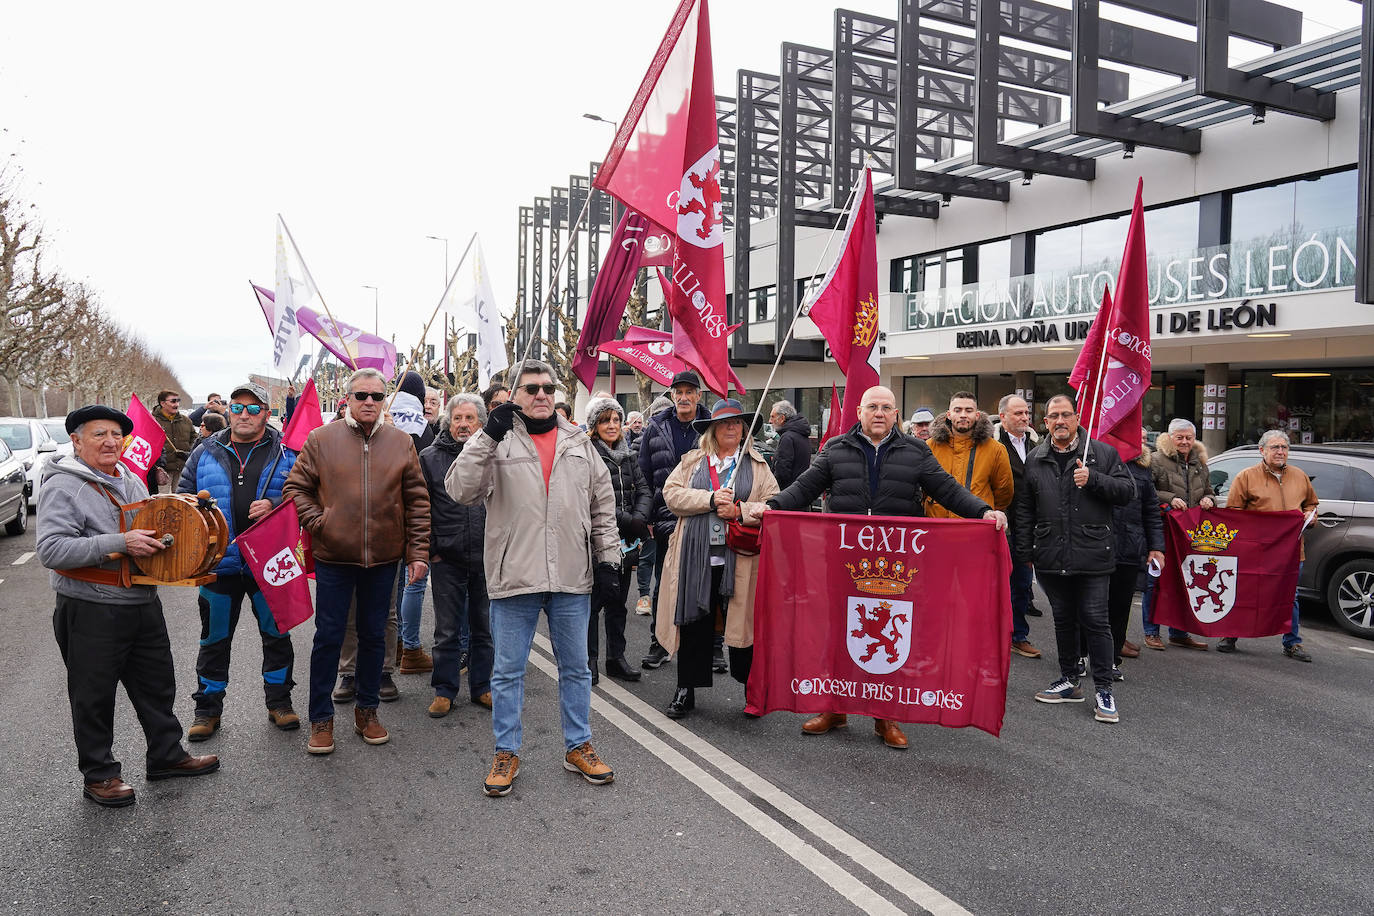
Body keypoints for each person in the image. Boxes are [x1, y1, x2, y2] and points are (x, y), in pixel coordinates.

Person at [750, 385, 1004, 749]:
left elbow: (947, 489)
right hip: (842, 559)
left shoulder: (915, 451)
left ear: (896, 414)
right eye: (873, 407)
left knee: (894, 640)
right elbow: (804, 487)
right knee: (836, 631)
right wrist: (772, 506)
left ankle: (886, 716)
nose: (880, 413)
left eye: (887, 407)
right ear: (859, 411)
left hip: (896, 565)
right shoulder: (835, 448)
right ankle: (833, 706)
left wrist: (982, 512)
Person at [447, 359, 619, 797]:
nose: (541, 395)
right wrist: (487, 435)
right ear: (515, 395)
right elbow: (460, 489)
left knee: (577, 669)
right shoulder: (497, 439)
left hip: (571, 576)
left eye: (547, 388)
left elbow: (603, 506)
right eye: (530, 389)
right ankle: (506, 751)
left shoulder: (580, 442)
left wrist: (608, 561)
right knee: (506, 672)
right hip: (515, 575)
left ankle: (578, 745)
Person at [37, 405, 220, 807]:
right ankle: (100, 775)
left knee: (157, 685)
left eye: (117, 435)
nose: (110, 442)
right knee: (93, 695)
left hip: (141, 601)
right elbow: (50, 550)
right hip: (90, 608)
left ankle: (166, 756)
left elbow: (152, 529)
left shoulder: (131, 478)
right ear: (77, 440)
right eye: (99, 434)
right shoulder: (63, 486)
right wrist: (120, 543)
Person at [283, 367, 431, 755]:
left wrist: (417, 552)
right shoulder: (321, 439)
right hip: (335, 557)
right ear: (347, 399)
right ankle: (321, 719)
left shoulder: (401, 443)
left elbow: (417, 501)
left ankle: (368, 710)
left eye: (377, 397)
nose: (369, 402)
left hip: (384, 559)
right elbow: (296, 487)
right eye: (361, 396)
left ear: (385, 402)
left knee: (373, 636)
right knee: (328, 638)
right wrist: (320, 522)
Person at [177, 382, 300, 741]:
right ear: (229, 411)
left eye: (253, 407)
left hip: (270, 563)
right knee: (214, 639)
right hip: (219, 564)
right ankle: (207, 710)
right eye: (237, 407)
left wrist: (276, 506)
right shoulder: (204, 451)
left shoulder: (286, 453)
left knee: (277, 635)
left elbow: (306, 498)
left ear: (266, 412)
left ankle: (280, 702)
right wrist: (195, 509)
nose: (244, 414)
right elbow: (182, 501)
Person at [656, 399, 778, 718]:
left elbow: (772, 505)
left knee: (743, 623)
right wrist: (709, 499)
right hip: (696, 557)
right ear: (712, 429)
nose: (731, 428)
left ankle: (752, 690)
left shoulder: (758, 465)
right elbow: (671, 495)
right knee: (694, 621)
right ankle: (686, 689)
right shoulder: (693, 461)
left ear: (744, 429)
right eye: (724, 423)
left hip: (741, 558)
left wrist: (740, 510)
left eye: (737, 423)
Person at [1017, 395, 1134, 724]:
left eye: (1065, 415)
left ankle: (1104, 689)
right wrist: (1026, 553)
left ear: (1077, 416)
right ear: (1045, 422)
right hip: (1051, 555)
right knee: (1064, 619)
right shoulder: (1036, 458)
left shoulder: (1102, 454)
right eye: (1053, 416)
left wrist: (1094, 480)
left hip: (1093, 554)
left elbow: (1128, 492)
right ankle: (1069, 679)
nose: (1060, 421)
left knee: (1096, 621)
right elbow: (1025, 509)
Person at [419, 393, 494, 717]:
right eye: (458, 418)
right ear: (449, 421)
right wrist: (431, 549)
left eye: (470, 418)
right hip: (446, 556)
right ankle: (444, 690)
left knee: (484, 627)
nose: (463, 424)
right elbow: (421, 508)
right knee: (447, 629)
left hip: (487, 555)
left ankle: (483, 687)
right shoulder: (429, 457)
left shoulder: (494, 455)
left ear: (480, 423)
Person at [637, 371, 712, 670]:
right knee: (663, 585)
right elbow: (643, 475)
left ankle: (713, 647)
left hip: (706, 516)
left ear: (698, 395)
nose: (683, 397)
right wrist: (647, 517)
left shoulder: (712, 426)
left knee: (708, 583)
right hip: (665, 518)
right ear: (671, 396)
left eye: (689, 392)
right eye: (677, 392)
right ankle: (660, 643)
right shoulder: (655, 426)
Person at [1222, 429, 1317, 661]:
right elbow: (1233, 512)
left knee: (1289, 597)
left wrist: (1311, 516)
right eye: (1275, 447)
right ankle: (1230, 634)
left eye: (1284, 448)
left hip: (1291, 552)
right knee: (1245, 592)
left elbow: (1312, 505)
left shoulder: (1300, 476)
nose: (1280, 452)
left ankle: (1292, 643)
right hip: (1257, 550)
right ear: (1262, 450)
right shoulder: (1246, 477)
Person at [583, 396, 652, 684]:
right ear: (594, 425)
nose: (612, 425)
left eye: (615, 419)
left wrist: (639, 517)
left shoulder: (630, 455)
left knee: (619, 603)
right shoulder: (586, 453)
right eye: (604, 420)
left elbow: (645, 490)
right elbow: (588, 498)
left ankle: (616, 658)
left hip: (625, 543)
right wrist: (630, 520)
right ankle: (590, 660)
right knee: (594, 603)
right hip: (598, 541)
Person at [1143, 419, 1215, 651]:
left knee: (1184, 580)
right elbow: (1146, 492)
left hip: (1188, 533)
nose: (1184, 442)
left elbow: (1209, 491)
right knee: (1155, 581)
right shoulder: (1155, 460)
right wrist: (1168, 498)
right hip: (1162, 528)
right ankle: (1151, 631)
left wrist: (1208, 499)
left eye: (1189, 438)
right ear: (1170, 437)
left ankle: (1178, 632)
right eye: (1180, 437)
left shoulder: (1200, 463)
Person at [1107, 429, 1164, 680]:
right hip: (1099, 546)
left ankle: (1111, 659)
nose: (1140, 442)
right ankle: (1082, 653)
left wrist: (1156, 547)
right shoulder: (1100, 462)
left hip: (1130, 548)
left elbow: (1151, 512)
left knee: (1120, 608)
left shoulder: (1142, 470)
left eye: (1143, 439)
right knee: (1091, 606)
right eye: (1135, 436)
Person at [389, 370, 435, 674]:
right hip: (417, 516)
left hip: (384, 516)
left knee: (391, 586)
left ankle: (393, 644)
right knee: (413, 583)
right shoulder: (424, 429)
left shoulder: (384, 423)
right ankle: (410, 648)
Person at [997, 394, 1042, 659]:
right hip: (1004, 525)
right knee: (997, 584)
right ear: (1003, 416)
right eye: (1018, 414)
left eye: (1026, 413)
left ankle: (1018, 635)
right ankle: (994, 633)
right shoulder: (993, 444)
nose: (1025, 418)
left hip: (1030, 527)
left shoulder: (1038, 443)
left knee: (1023, 584)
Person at [924, 392, 1014, 520]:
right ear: (948, 415)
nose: (963, 415)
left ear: (977, 415)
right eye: (958, 410)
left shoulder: (995, 449)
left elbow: (1004, 492)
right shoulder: (929, 447)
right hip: (937, 527)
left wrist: (985, 510)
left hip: (977, 527)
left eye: (969, 410)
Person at [152, 389, 196, 491]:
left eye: (178, 400)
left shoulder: (186, 420)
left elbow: (194, 437)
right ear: (162, 403)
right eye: (173, 401)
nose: (177, 404)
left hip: (183, 468)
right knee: (163, 502)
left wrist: (189, 451)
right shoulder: (152, 421)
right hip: (162, 470)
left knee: (182, 500)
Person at [769, 400, 814, 492]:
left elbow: (783, 470)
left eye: (772, 417)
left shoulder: (787, 437)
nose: (770, 421)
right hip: (799, 492)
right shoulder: (802, 435)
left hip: (787, 494)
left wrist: (772, 490)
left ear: (782, 418)